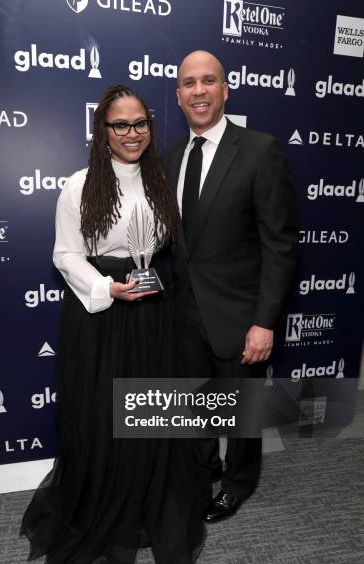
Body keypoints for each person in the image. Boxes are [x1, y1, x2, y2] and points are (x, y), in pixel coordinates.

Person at [20, 84, 211, 564]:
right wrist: (107, 287)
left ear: (150, 126)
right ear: (102, 131)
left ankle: (146, 504)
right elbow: (64, 255)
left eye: (140, 123)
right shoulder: (79, 185)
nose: (132, 133)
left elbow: (165, 246)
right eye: (120, 124)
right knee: (104, 413)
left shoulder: (159, 181)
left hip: (151, 311)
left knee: (148, 409)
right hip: (103, 316)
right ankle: (108, 509)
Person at [162, 51, 298, 522]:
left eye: (208, 81)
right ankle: (207, 469)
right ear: (178, 95)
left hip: (241, 316)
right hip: (185, 313)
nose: (198, 91)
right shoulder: (171, 156)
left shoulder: (261, 150)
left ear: (225, 88)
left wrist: (264, 323)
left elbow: (279, 246)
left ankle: (239, 483)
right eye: (188, 84)